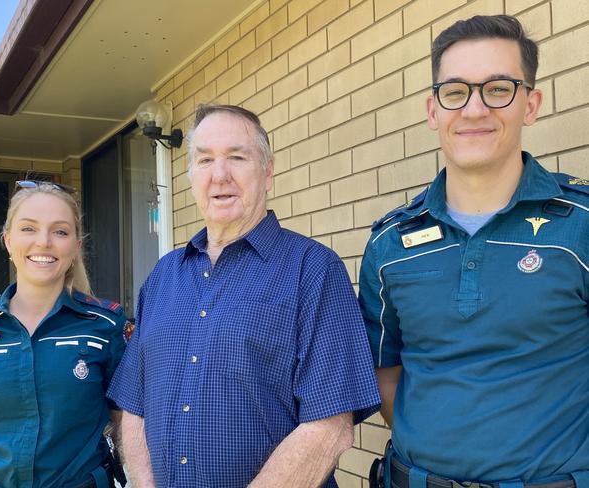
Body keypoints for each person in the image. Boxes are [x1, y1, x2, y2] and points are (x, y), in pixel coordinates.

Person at [359, 14, 589, 488]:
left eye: (499, 89)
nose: (475, 110)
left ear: (531, 104)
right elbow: (387, 372)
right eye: (456, 92)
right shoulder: (389, 244)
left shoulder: (581, 226)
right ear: (433, 110)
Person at [108, 104, 381, 487]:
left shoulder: (313, 270)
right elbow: (134, 405)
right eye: (205, 160)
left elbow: (330, 427)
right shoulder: (162, 278)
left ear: (267, 173)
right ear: (190, 176)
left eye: (237, 157)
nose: (220, 175)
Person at [0, 181, 127, 488]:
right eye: (28, 228)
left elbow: (124, 419)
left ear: (76, 245)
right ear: (8, 240)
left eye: (60, 231)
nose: (44, 242)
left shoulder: (106, 326)